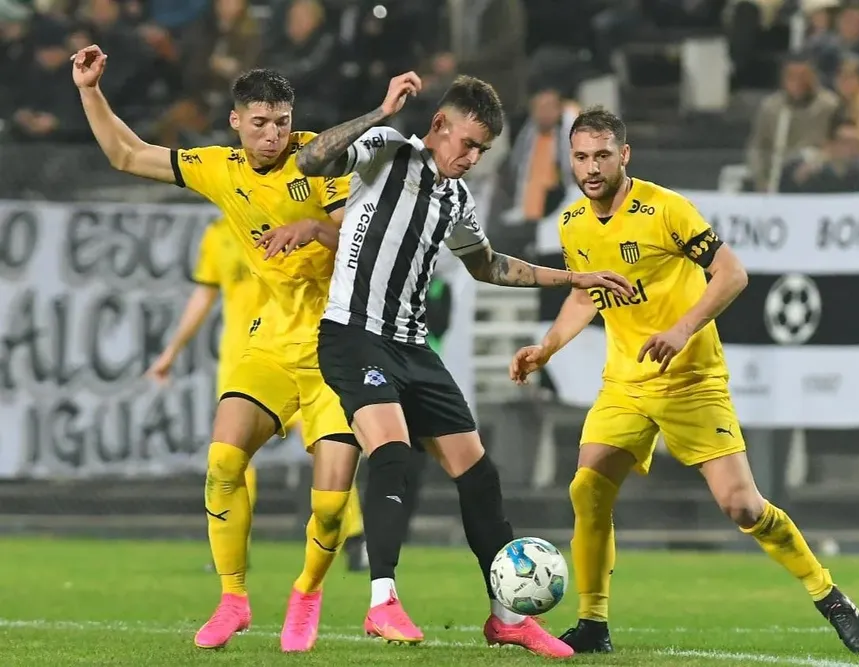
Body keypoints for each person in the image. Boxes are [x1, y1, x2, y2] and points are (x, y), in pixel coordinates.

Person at [258, 72, 631, 658]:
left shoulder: (457, 199)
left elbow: (486, 265)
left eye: (482, 149)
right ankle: (382, 599)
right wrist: (380, 110)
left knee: (479, 474)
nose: (472, 156)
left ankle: (506, 616)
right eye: (466, 142)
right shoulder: (388, 153)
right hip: (354, 336)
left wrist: (575, 276)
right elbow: (308, 160)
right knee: (392, 451)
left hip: (411, 346)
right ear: (439, 126)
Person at [508, 108, 859, 655]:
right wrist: (547, 348)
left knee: (742, 507)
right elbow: (585, 293)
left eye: (602, 155)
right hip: (625, 384)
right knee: (587, 488)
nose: (590, 167)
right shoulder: (573, 224)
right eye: (581, 156)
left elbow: (733, 273)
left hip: (691, 380)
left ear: (623, 155)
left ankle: (829, 595)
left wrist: (681, 329)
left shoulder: (665, 209)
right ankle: (593, 623)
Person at [72, 44, 364, 653]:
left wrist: (316, 228)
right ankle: (233, 597)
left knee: (333, 504)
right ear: (236, 121)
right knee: (223, 461)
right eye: (259, 122)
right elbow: (128, 153)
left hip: (338, 345)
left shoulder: (322, 161)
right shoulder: (219, 166)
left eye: (282, 121)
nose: (273, 134)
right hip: (272, 343)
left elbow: (366, 244)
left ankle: (306, 592)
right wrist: (90, 91)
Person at [144, 217, 366, 574]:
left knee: (327, 447)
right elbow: (205, 292)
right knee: (233, 455)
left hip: (295, 352)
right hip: (242, 361)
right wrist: (171, 351)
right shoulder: (216, 234)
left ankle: (354, 537)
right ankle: (234, 551)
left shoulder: (286, 221)